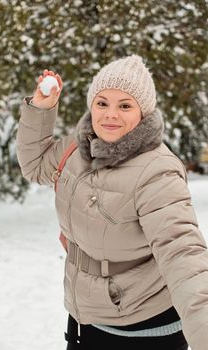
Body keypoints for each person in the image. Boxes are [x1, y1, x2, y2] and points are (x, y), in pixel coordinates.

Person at [16, 54, 208, 350]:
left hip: (145, 332)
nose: (110, 115)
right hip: (87, 320)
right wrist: (42, 110)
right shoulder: (79, 147)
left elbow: (183, 255)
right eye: (102, 103)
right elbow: (36, 166)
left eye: (125, 105)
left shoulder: (157, 171)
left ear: (143, 112)